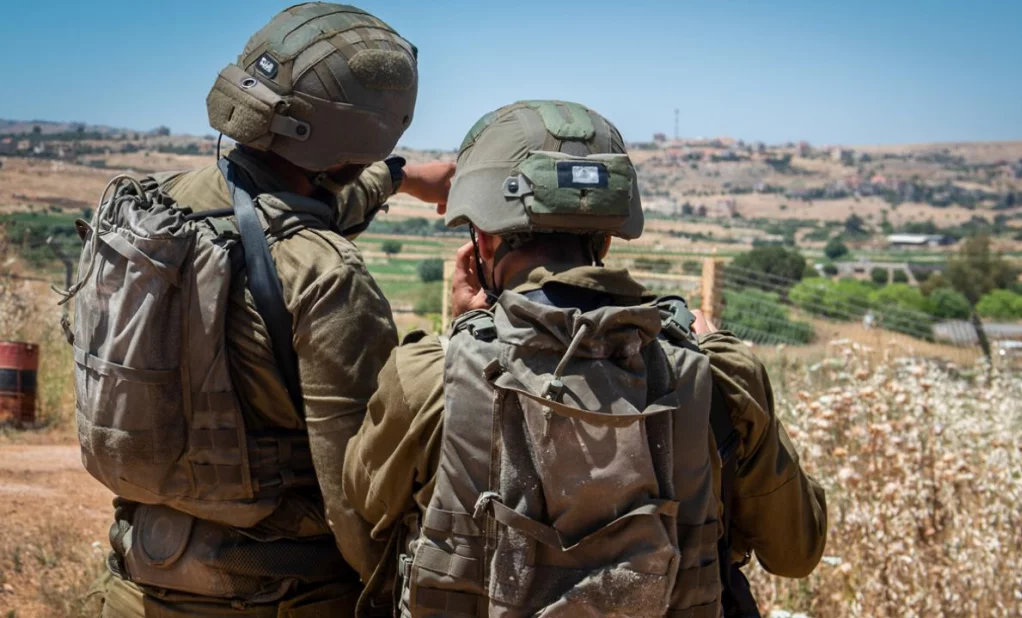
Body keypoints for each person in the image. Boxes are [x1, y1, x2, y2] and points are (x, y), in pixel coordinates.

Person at [342, 100, 828, 617]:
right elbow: (797, 551)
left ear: (481, 241)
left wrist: (465, 336)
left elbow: (364, 509)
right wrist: (719, 359)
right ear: (607, 240)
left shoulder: (429, 376)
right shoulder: (716, 375)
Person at [78, 4, 454, 616]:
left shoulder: (149, 211)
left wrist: (400, 177)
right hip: (280, 600)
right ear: (364, 139)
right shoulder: (326, 275)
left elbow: (285, 207)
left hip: (131, 586)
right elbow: (356, 506)